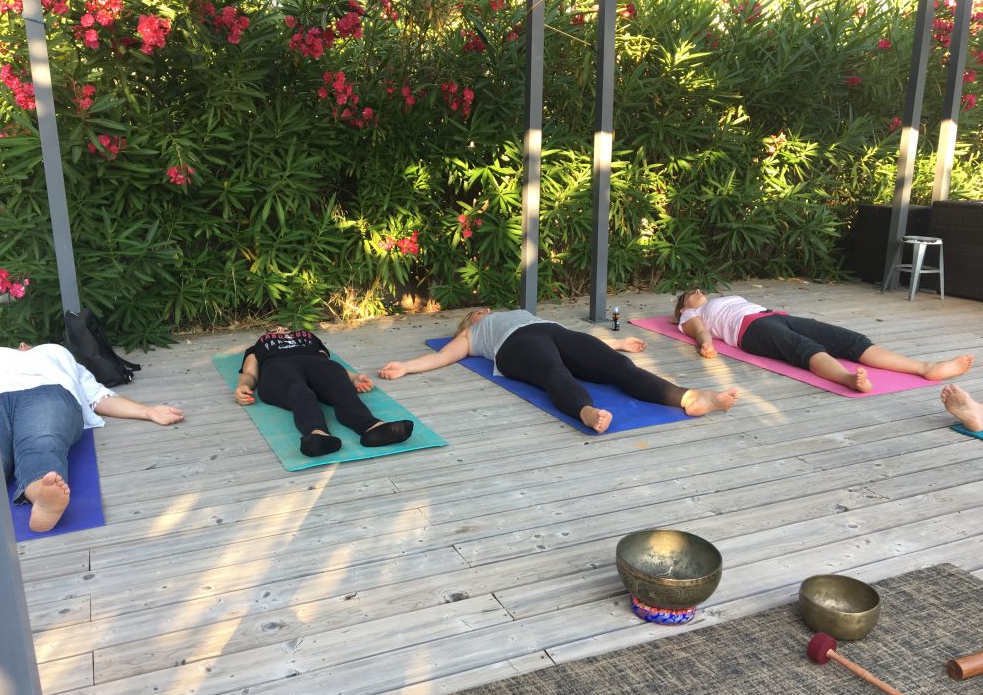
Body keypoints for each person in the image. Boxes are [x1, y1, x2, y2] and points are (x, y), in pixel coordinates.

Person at [377, 308, 738, 434]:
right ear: (469, 322)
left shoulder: (520, 312)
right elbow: (442, 357)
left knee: (618, 367)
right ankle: (586, 411)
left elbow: (583, 345)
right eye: (478, 311)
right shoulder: (473, 333)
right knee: (554, 373)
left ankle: (692, 397)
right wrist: (406, 367)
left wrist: (618, 344)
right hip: (516, 347)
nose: (484, 310)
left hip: (555, 331)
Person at [0, 342, 184, 533]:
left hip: (47, 390)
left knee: (41, 444)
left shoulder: (54, 353)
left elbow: (96, 396)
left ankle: (42, 497)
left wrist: (147, 411)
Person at [674, 289, 974, 393]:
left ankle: (926, 367)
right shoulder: (689, 313)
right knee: (805, 350)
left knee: (849, 340)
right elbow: (699, 329)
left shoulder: (718, 299)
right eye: (691, 291)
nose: (698, 290)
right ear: (682, 304)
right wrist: (706, 343)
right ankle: (847, 379)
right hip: (749, 330)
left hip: (772, 316)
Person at [235, 326, 413, 457]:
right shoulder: (259, 345)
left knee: (340, 386)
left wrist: (353, 378)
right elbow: (250, 372)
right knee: (300, 393)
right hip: (278, 367)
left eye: (285, 328)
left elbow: (327, 362)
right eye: (274, 329)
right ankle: (317, 436)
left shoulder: (309, 337)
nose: (281, 329)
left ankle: (373, 427)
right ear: (268, 335)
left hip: (315, 363)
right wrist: (244, 386)